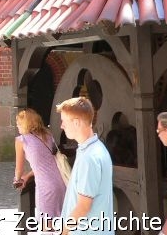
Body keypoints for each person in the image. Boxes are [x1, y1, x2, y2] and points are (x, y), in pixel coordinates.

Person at [56, 97, 113, 235]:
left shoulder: (89, 157)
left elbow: (83, 206)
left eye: (64, 121)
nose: (61, 126)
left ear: (76, 123)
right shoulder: (94, 149)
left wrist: (62, 232)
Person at [13, 108, 66, 230]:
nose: (17, 126)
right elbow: (46, 164)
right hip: (61, 182)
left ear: (26, 124)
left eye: (19, 123)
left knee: (46, 227)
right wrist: (28, 176)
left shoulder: (21, 140)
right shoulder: (47, 135)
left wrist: (18, 179)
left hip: (46, 187)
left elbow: (18, 169)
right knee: (62, 225)